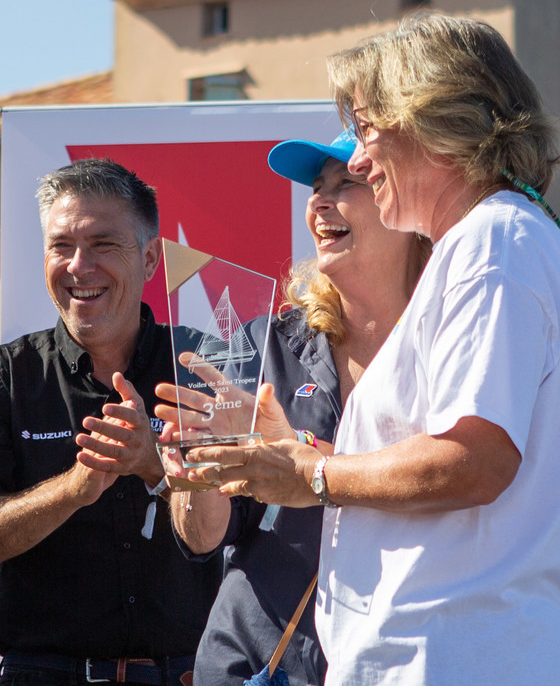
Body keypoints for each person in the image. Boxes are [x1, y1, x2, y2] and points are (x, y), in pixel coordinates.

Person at [189, 13, 560, 685]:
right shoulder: (492, 241)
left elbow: (476, 459)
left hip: (448, 660)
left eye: (367, 128)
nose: (355, 159)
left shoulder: (491, 245)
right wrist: (300, 456)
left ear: (434, 118)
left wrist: (314, 474)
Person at [155, 132, 429, 686]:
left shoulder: (447, 343)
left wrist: (307, 459)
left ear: (404, 204)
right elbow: (202, 537)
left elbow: (461, 482)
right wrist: (196, 477)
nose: (320, 201)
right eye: (316, 186)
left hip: (405, 661)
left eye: (346, 182)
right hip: (257, 664)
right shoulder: (266, 343)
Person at [0, 158, 220, 686]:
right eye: (61, 246)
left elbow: (240, 529)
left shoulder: (207, 367)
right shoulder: (3, 377)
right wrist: (72, 489)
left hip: (190, 673)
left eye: (102, 244)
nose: (78, 266)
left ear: (150, 259)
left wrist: (155, 466)